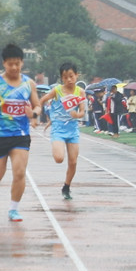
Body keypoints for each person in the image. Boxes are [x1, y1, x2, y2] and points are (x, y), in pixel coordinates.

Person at [0, 44, 41, 222]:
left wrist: (33, 114)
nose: (14, 67)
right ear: (4, 63)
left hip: (20, 135)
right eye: (10, 64)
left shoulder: (29, 83)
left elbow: (38, 105)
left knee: (19, 172)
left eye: (17, 64)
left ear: (22, 63)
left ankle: (14, 209)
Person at [38, 62, 86, 200]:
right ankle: (55, 144)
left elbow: (82, 111)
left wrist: (77, 115)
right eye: (65, 77)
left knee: (73, 162)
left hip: (72, 129)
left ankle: (66, 186)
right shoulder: (57, 90)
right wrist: (36, 113)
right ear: (61, 78)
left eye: (71, 76)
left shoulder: (80, 92)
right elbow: (42, 100)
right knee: (59, 158)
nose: (68, 80)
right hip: (59, 129)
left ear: (77, 75)